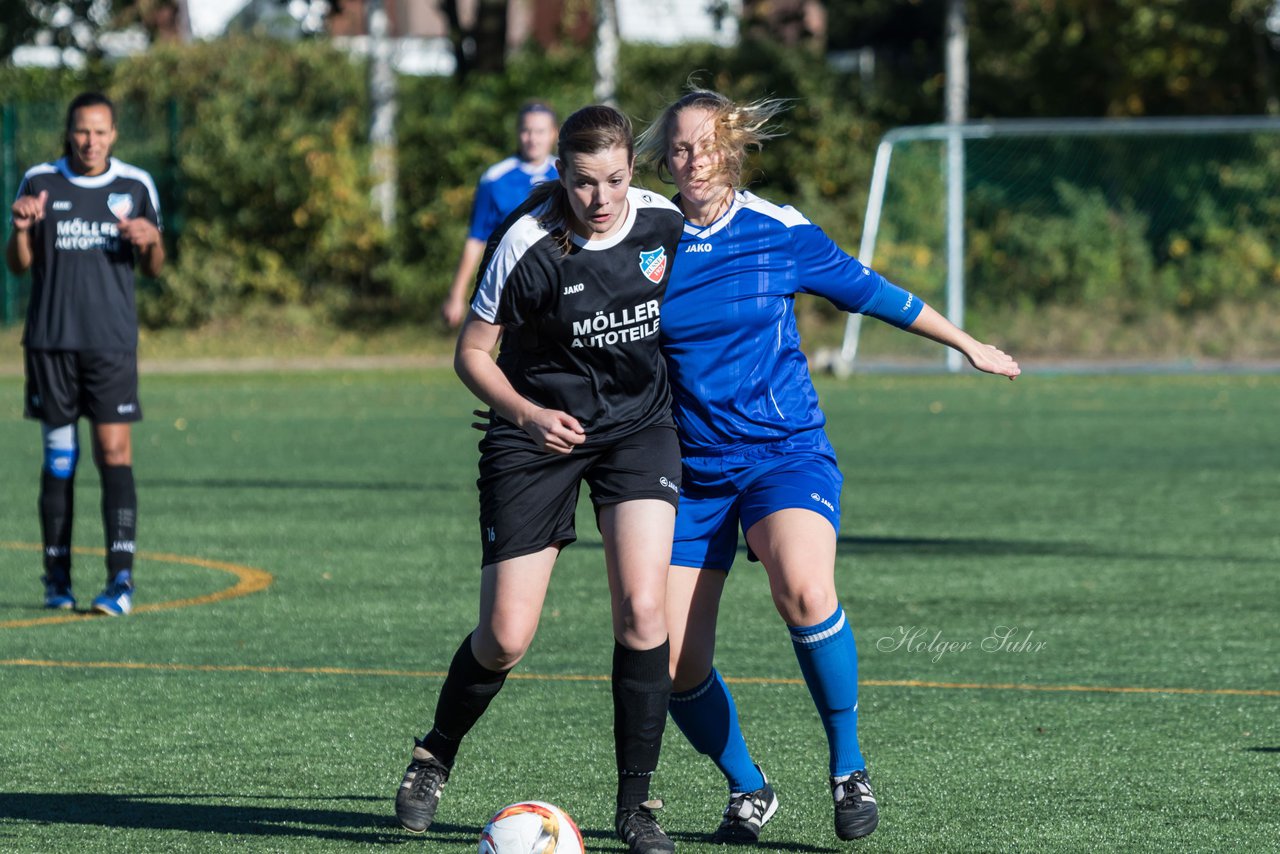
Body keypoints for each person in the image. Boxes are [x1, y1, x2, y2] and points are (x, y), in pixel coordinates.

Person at [635, 90, 1020, 845]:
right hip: (690, 467)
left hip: (783, 452)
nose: (694, 161)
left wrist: (967, 343)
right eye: (680, 148)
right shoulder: (647, 235)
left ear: (734, 147)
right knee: (672, 659)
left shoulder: (779, 231)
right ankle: (749, 787)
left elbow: (873, 293)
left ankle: (848, 769)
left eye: (708, 145)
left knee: (805, 589)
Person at [394, 105, 686, 854]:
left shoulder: (660, 222)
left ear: (632, 172)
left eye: (615, 180)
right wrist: (526, 415)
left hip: (636, 430)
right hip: (535, 436)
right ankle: (435, 753)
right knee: (504, 637)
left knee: (644, 612)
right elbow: (472, 354)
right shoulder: (526, 243)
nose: (601, 199)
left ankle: (636, 805)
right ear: (560, 174)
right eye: (584, 183)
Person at [6, 92, 165, 617]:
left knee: (115, 455)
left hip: (111, 345)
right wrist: (21, 229)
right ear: (68, 132)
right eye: (81, 131)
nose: (90, 141)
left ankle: (119, 582)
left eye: (100, 132)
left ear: (114, 134)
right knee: (59, 459)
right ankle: (57, 579)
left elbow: (156, 268)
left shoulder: (135, 185)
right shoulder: (40, 181)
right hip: (51, 343)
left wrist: (150, 242)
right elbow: (17, 266)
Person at [440, 101, 559, 327]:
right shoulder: (495, 179)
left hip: (555, 281)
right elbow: (476, 238)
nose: (532, 138)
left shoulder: (567, 175)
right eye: (526, 130)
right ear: (518, 132)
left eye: (540, 131)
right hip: (508, 281)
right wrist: (457, 294)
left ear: (554, 134)